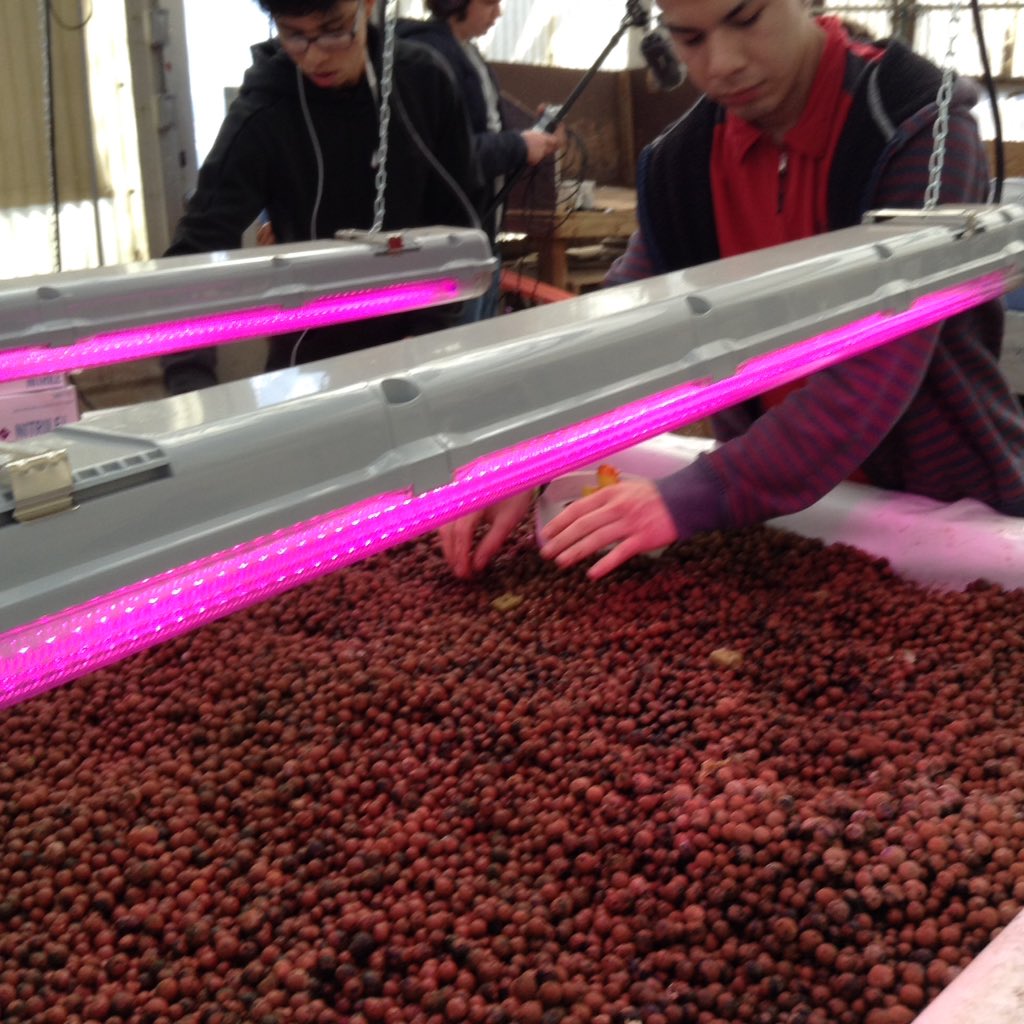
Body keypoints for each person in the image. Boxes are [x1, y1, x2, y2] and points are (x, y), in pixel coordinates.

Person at [439, 0, 1024, 580]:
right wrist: (526, 451)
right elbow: (619, 332)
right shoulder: (682, 164)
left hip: (951, 526)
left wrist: (692, 497)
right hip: (782, 528)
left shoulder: (916, 125)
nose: (722, 63)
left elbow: (876, 373)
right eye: (689, 38)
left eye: (746, 20)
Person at [162, 0, 483, 394]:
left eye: (334, 30)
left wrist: (429, 333)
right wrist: (190, 386)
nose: (314, 57)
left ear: (367, 5)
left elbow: (461, 224)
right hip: (307, 374)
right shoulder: (264, 110)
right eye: (294, 34)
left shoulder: (424, 83)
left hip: (417, 358)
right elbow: (195, 253)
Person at [397, 0, 564, 320]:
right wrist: (518, 146)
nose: (498, 13)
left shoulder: (467, 53)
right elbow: (444, 159)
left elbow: (479, 135)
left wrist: (532, 140)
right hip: (448, 253)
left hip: (479, 240)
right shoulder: (429, 58)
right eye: (488, 2)